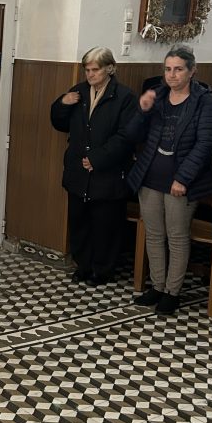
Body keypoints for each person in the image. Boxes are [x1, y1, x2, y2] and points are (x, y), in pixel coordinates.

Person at [126, 45, 212, 315]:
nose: (172, 75)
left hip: (181, 182)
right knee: (154, 234)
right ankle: (157, 286)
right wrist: (142, 110)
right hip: (150, 176)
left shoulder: (205, 101)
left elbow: (207, 144)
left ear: (192, 71)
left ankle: (172, 292)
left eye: (178, 69)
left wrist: (183, 177)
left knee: (177, 236)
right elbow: (132, 135)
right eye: (168, 69)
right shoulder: (157, 96)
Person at [50, 47, 138, 286]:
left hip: (108, 173)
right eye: (87, 70)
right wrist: (62, 103)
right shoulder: (78, 91)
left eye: (95, 70)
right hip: (79, 171)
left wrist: (98, 159)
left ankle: (102, 269)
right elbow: (59, 123)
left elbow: (127, 136)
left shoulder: (125, 97)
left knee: (105, 224)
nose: (90, 74)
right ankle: (83, 266)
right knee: (79, 221)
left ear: (110, 68)